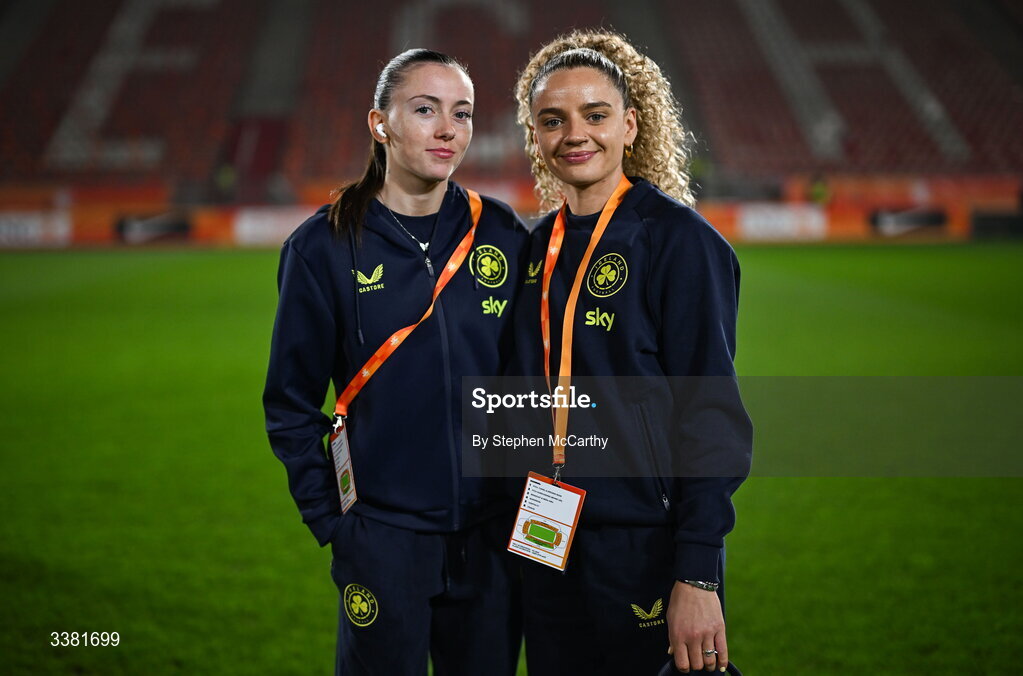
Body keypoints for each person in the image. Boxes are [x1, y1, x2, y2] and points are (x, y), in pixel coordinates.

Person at [263, 48, 526, 675]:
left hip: (493, 542)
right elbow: (290, 404)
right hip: (383, 540)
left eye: (461, 114)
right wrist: (337, 524)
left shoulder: (503, 234)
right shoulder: (322, 246)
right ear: (380, 124)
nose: (447, 130)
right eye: (425, 110)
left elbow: (530, 379)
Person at [506, 31, 753, 674]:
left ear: (631, 124)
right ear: (535, 136)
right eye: (552, 120)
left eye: (595, 115)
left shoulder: (680, 243)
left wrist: (698, 574)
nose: (575, 134)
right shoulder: (534, 250)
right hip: (545, 539)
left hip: (644, 543)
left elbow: (713, 417)